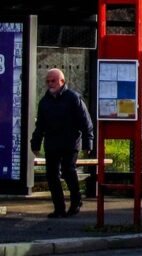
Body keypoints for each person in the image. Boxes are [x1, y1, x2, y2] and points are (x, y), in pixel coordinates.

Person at [30, 68, 94, 219]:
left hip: (70, 142)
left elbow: (86, 122)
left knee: (68, 171)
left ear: (62, 81)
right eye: (48, 81)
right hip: (52, 143)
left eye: (53, 81)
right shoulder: (44, 102)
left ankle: (76, 201)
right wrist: (35, 144)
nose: (50, 84)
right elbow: (40, 125)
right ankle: (59, 208)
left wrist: (88, 144)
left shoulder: (73, 98)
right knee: (52, 175)